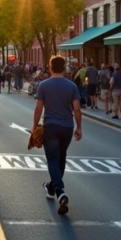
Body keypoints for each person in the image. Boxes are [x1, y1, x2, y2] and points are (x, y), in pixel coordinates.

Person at [32, 55, 82, 216]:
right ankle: (51, 187)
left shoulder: (44, 85)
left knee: (52, 160)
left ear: (50, 66)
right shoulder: (72, 86)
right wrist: (79, 127)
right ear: (64, 68)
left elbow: (38, 109)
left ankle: (59, 191)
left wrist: (34, 127)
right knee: (61, 158)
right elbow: (77, 109)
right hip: (67, 126)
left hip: (51, 126)